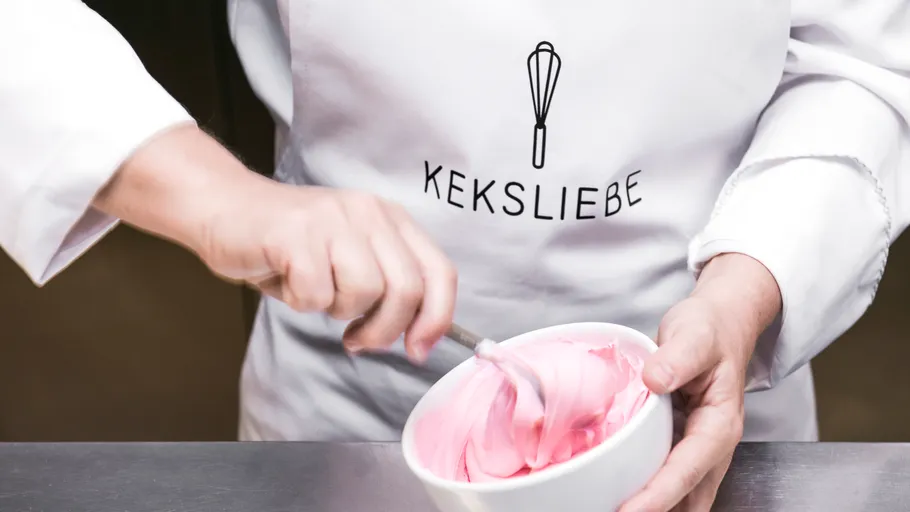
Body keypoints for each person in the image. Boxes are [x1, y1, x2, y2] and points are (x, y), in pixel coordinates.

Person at [2, 1, 909, 510]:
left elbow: (860, 64)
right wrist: (216, 193)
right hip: (346, 421)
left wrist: (747, 292)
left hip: (708, 419)